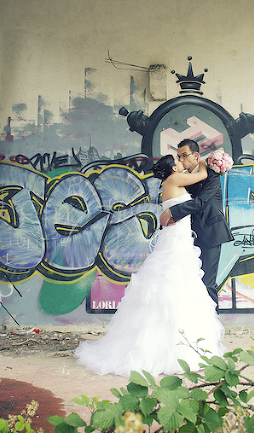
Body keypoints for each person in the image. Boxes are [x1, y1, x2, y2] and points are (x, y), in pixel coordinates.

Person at [74, 154, 225, 377]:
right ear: (174, 168)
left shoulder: (173, 181)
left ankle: (181, 345)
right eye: (179, 160)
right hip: (176, 242)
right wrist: (208, 161)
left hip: (181, 239)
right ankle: (172, 351)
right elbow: (202, 175)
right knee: (171, 288)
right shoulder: (174, 181)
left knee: (180, 290)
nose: (183, 162)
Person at [160, 139, 233, 307]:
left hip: (210, 233)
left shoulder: (211, 174)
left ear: (196, 155)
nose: (182, 160)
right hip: (189, 237)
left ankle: (212, 329)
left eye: (184, 156)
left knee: (207, 283)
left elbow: (201, 202)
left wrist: (172, 212)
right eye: (179, 157)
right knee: (192, 283)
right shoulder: (184, 178)